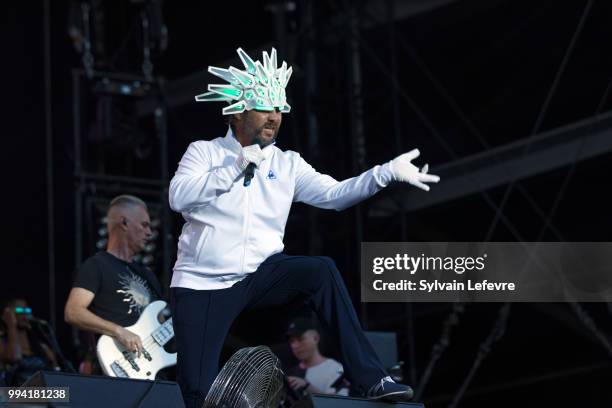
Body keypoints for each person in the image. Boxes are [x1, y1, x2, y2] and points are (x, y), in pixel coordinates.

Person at [169, 47, 440, 407]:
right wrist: (234, 167)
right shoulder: (204, 152)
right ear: (237, 113)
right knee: (198, 392)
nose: (275, 117)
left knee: (320, 271)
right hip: (202, 284)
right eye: (265, 108)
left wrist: (384, 174)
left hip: (259, 275)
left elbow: (334, 195)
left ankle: (372, 378)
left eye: (279, 109)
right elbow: (179, 198)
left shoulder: (287, 163)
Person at [64, 195, 163, 361]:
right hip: (113, 365)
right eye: (144, 225)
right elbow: (73, 311)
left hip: (150, 366)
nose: (149, 232)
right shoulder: (97, 265)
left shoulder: (149, 276)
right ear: (124, 223)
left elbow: (160, 323)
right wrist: (119, 331)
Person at [0, 299, 59, 386]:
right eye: (19, 310)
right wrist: (11, 324)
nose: (24, 314)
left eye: (27, 310)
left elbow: (56, 373)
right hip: (17, 396)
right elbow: (15, 357)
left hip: (44, 395)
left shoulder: (42, 347)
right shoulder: (3, 344)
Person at [285, 317, 349, 396]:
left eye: (300, 339)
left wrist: (307, 386)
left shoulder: (335, 368)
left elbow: (339, 403)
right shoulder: (290, 374)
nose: (295, 345)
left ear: (315, 338)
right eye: (292, 341)